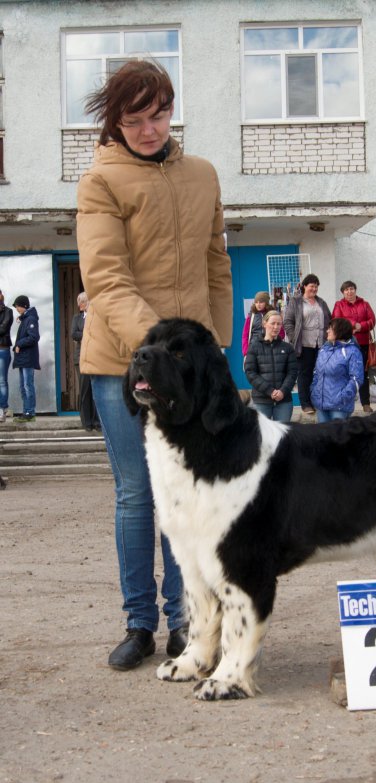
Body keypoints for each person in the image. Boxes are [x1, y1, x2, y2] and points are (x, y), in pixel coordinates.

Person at [76, 61, 232, 671]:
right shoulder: (99, 182)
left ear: (173, 109)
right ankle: (140, 622)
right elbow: (106, 280)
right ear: (114, 120)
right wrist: (162, 350)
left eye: (158, 115)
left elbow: (217, 265)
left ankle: (184, 621)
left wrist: (213, 352)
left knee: (188, 496)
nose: (148, 129)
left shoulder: (203, 175)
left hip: (191, 368)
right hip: (121, 363)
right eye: (134, 119)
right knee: (139, 494)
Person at [283, 273, 331, 414]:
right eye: (312, 286)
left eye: (316, 286)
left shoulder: (321, 302)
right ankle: (306, 404)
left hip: (321, 344)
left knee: (322, 373)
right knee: (305, 374)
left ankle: (319, 401)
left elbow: (330, 319)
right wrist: (293, 337)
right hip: (303, 345)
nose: (314, 289)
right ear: (304, 286)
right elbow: (288, 322)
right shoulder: (296, 301)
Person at [244, 310, 297, 422]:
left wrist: (282, 391)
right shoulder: (254, 347)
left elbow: (292, 373)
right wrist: (270, 391)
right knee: (262, 437)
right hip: (261, 401)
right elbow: (250, 372)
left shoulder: (288, 348)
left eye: (279, 324)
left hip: (284, 401)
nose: (276, 327)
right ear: (264, 323)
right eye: (273, 323)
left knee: (282, 436)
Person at [332, 281, 376, 413]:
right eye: (346, 290)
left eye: (351, 289)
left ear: (355, 290)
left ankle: (366, 403)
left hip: (363, 344)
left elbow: (372, 321)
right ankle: (345, 402)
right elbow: (336, 321)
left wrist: (361, 326)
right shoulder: (339, 305)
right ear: (343, 292)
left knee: (363, 374)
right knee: (345, 374)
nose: (349, 292)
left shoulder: (365, 304)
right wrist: (353, 324)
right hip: (345, 345)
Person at [310, 317, 364, 422]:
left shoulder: (352, 351)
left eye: (331, 328)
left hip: (339, 407)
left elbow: (356, 379)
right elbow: (316, 373)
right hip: (321, 404)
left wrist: (343, 398)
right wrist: (314, 391)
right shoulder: (323, 350)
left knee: (339, 438)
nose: (327, 331)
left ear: (340, 331)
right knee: (323, 437)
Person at [71, 292, 100, 431]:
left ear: (88, 302)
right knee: (85, 390)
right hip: (80, 358)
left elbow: (99, 333)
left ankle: (97, 422)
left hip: (96, 358)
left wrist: (84, 336)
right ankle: (87, 422)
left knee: (96, 389)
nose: (78, 305)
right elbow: (73, 334)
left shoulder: (96, 317)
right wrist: (88, 335)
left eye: (81, 302)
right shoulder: (76, 318)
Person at [12, 295, 40, 423]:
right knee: (23, 386)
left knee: (28, 385)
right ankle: (26, 411)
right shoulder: (25, 319)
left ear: (24, 306)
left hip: (28, 358)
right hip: (23, 358)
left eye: (17, 306)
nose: (16, 308)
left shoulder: (31, 319)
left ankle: (30, 412)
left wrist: (19, 344)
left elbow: (34, 337)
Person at [242, 291, 278, 357]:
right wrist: (245, 352)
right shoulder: (251, 316)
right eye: (256, 302)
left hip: (270, 348)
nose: (258, 304)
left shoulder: (273, 314)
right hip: (254, 349)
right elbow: (245, 335)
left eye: (261, 302)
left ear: (266, 303)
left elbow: (280, 332)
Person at [0, 288, 13, 423]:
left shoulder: (8, 311)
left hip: (2, 349)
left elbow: (3, 329)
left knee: (2, 380)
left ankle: (2, 409)